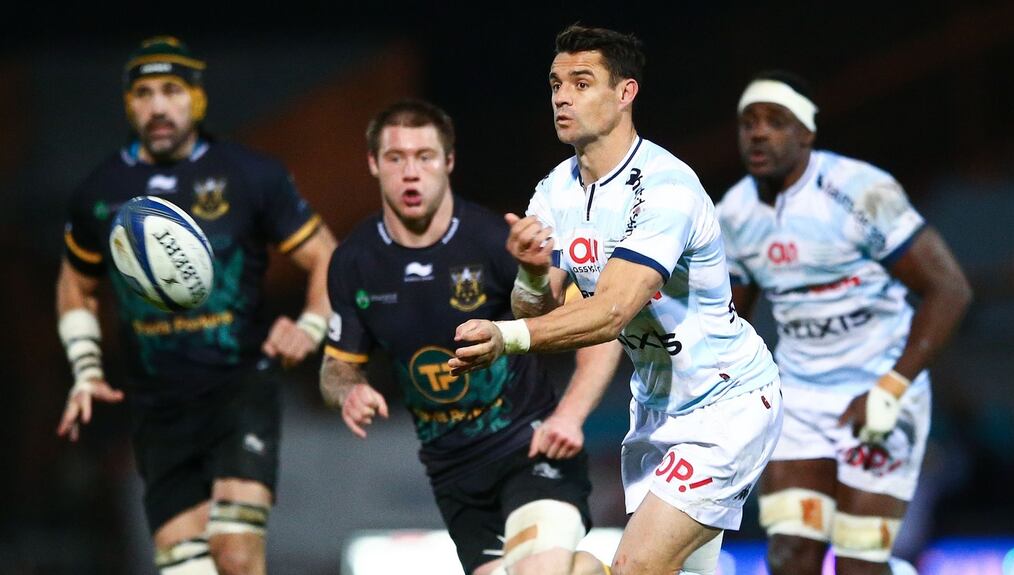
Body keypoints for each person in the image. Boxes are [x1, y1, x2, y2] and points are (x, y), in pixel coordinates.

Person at [448, 26, 782, 575]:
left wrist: (505, 336)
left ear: (626, 93)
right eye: (556, 84)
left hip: (727, 406)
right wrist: (532, 272)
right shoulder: (554, 190)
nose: (562, 96)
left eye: (582, 83)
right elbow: (539, 306)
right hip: (656, 408)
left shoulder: (665, 188)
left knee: (632, 566)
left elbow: (611, 312)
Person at [56, 36, 337, 575]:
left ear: (197, 99)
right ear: (128, 103)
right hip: (157, 401)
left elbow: (326, 256)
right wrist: (86, 367)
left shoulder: (251, 175)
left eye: (172, 90)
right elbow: (76, 284)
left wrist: (310, 324)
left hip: (240, 388)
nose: (158, 106)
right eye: (143, 93)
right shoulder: (100, 190)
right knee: (184, 566)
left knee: (234, 554)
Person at [319, 99, 621, 575]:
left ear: (449, 162)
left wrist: (570, 415)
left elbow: (600, 330)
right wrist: (348, 390)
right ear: (374, 165)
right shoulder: (354, 261)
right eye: (396, 158)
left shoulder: (491, 242)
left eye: (425, 156)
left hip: (533, 449)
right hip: (454, 476)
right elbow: (337, 364)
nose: (411, 173)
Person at [716, 71, 972, 575]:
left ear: (807, 132)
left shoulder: (860, 191)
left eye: (775, 121)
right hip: (800, 399)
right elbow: (730, 319)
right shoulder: (734, 213)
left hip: (879, 388)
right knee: (791, 557)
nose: (758, 133)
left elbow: (950, 289)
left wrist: (891, 386)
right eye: (748, 123)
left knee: (859, 563)